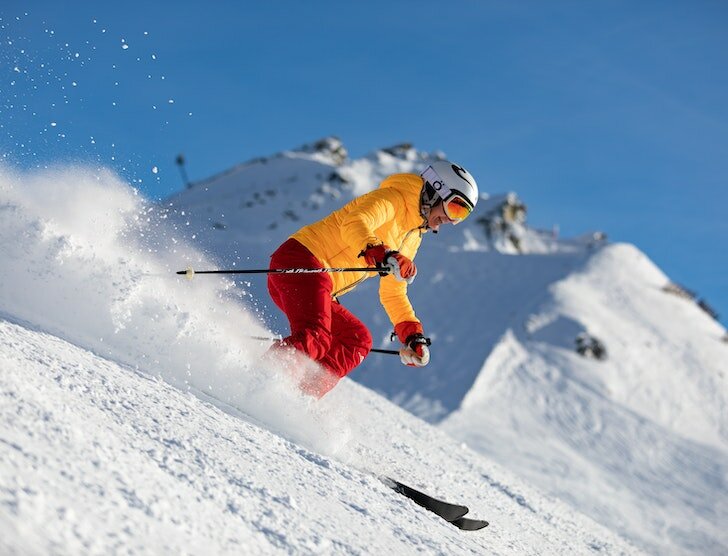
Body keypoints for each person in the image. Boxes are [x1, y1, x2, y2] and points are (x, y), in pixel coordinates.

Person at [266, 160, 479, 397]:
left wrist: (411, 335)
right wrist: (381, 252)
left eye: (462, 215)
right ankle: (262, 378)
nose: (452, 220)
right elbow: (355, 222)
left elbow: (393, 292)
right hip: (302, 260)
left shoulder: (412, 236)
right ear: (436, 190)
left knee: (356, 340)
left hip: (321, 285)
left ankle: (299, 397)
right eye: (454, 208)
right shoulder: (393, 198)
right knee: (316, 337)